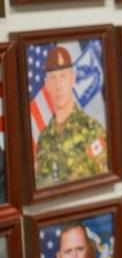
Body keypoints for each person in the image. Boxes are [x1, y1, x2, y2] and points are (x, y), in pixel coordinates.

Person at [35, 46, 109, 187]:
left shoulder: (91, 130)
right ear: (47, 85)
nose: (58, 86)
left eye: (63, 76)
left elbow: (103, 185)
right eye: (53, 78)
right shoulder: (44, 137)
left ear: (73, 79)